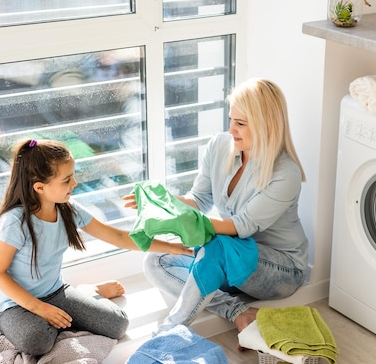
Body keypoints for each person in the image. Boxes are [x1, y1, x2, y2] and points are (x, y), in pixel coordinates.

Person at [126, 78, 309, 337]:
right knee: (157, 259)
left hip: (280, 269)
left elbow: (241, 227)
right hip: (233, 261)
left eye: (241, 123)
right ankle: (236, 311)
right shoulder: (220, 146)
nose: (231, 129)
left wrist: (188, 223)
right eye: (231, 119)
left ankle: (166, 334)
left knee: (218, 243)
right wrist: (161, 201)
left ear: (266, 125)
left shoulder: (285, 172)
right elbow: (199, 199)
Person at [0, 139, 192, 356]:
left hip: (54, 291)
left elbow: (118, 236)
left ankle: (88, 291)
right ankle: (63, 306)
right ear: (39, 187)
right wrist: (40, 309)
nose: (74, 183)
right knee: (37, 342)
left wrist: (170, 247)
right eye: (67, 180)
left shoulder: (68, 209)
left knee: (117, 324)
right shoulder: (14, 222)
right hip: (15, 303)